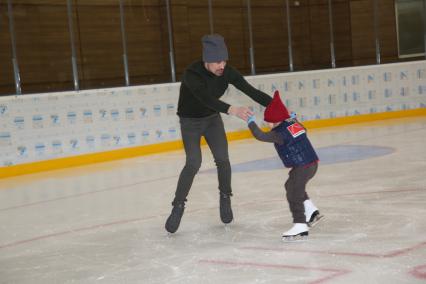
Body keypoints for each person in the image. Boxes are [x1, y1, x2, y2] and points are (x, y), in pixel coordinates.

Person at [165, 34, 272, 233]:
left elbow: (251, 91)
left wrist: (278, 108)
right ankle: (178, 206)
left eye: (224, 60)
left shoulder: (227, 72)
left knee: (223, 159)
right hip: (190, 122)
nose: (221, 66)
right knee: (193, 162)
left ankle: (225, 197)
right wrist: (233, 110)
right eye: (216, 62)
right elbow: (205, 98)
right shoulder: (192, 74)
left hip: (212, 120)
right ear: (206, 60)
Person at [246, 90, 323, 241]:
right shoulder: (292, 124)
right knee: (291, 185)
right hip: (311, 163)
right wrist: (293, 119)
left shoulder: (278, 133)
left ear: (274, 120)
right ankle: (311, 210)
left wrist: (251, 122)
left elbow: (260, 136)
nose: (266, 123)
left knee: (293, 192)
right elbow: (303, 129)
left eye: (267, 120)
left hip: (302, 166)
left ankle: (300, 224)